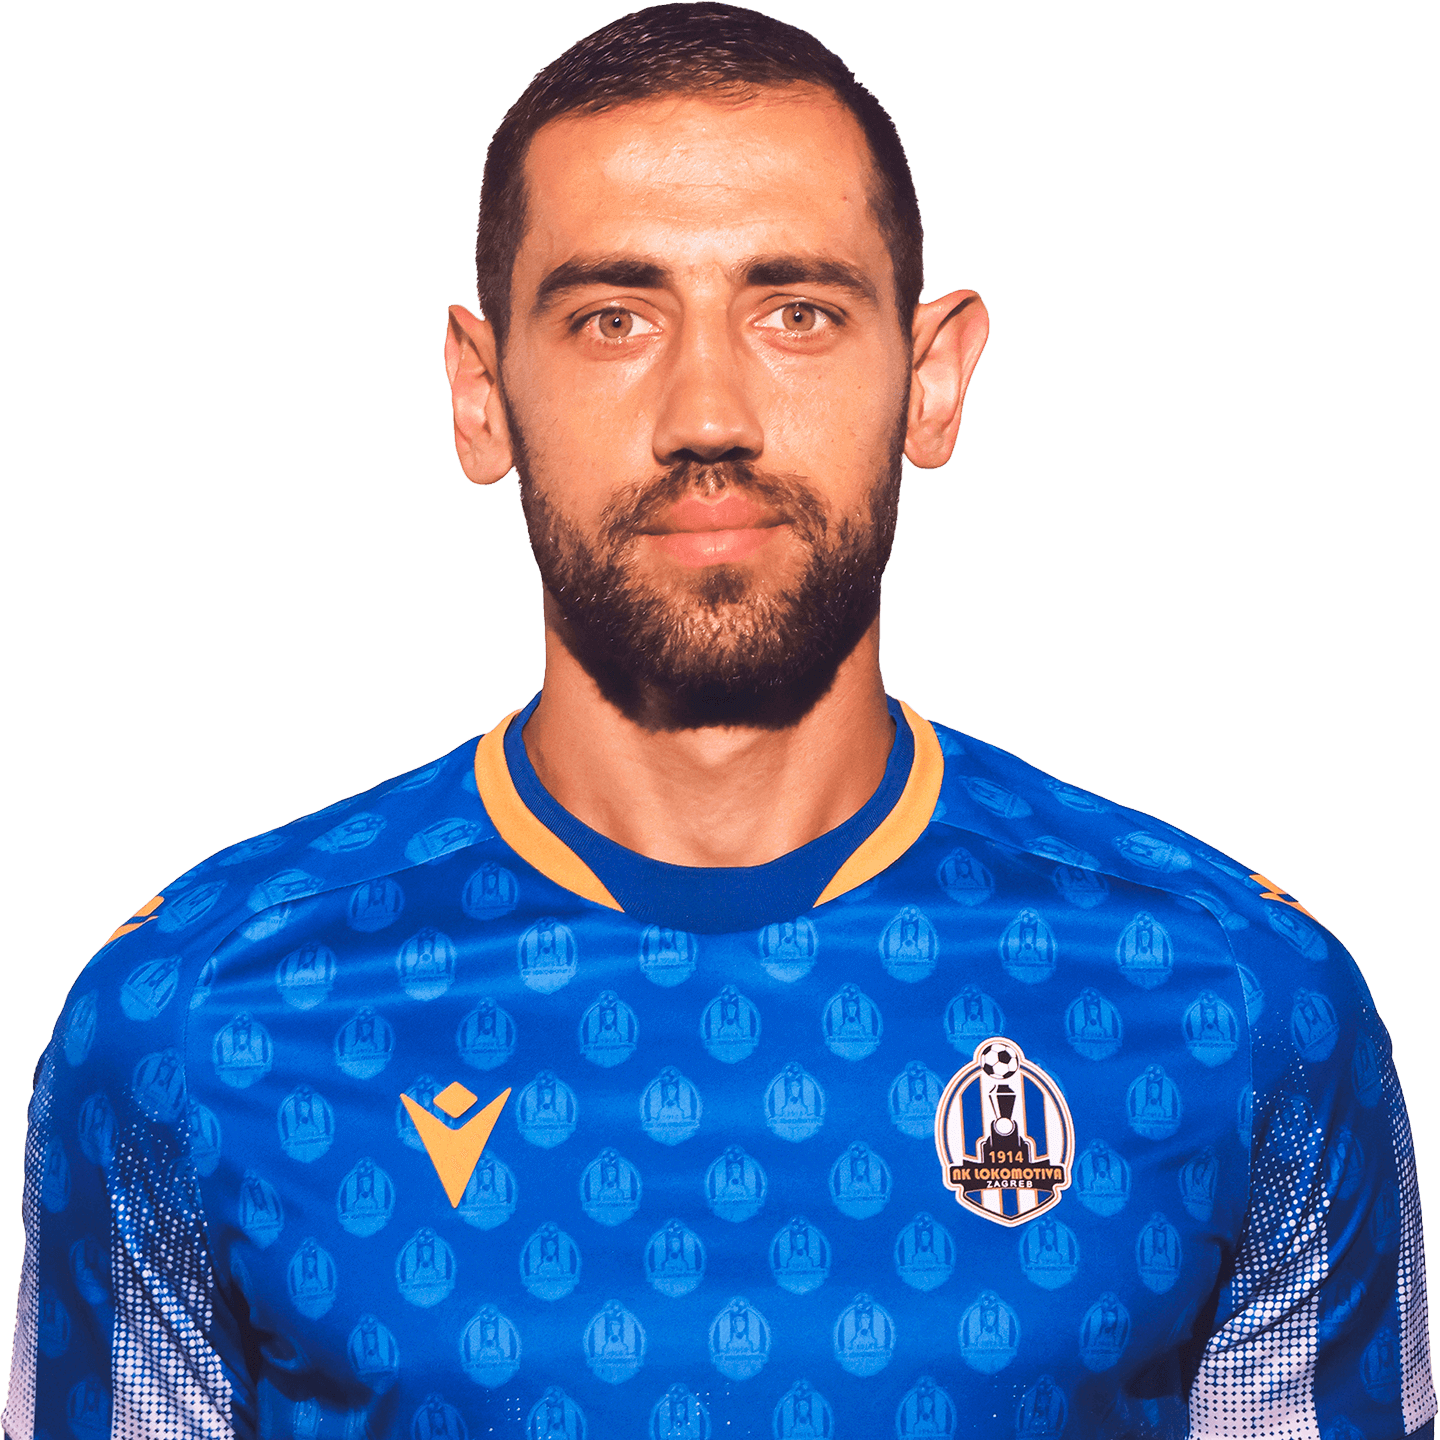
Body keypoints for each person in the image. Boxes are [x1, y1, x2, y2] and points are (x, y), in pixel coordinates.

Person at [4, 5, 1433, 1437]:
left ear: (932, 381)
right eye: (613, 318)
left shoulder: (1241, 1003)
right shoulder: (191, 1020)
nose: (708, 413)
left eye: (796, 311)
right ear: (481, 395)